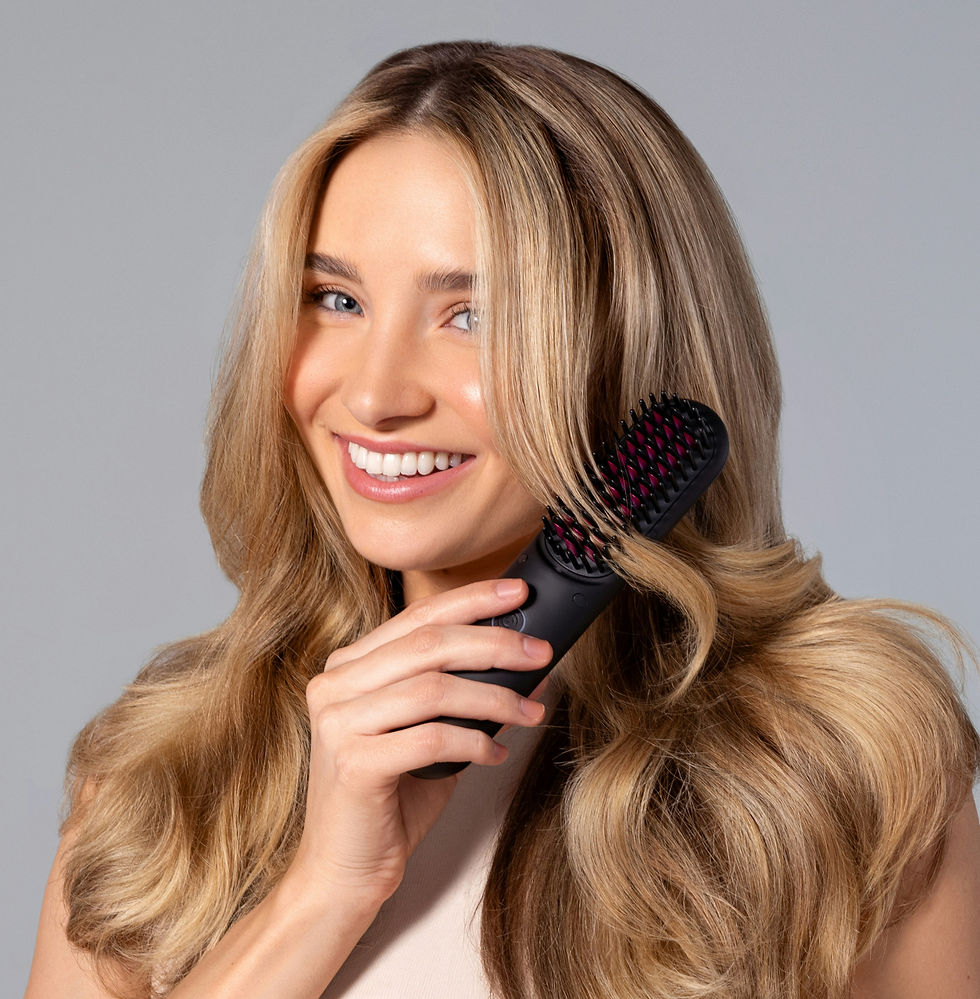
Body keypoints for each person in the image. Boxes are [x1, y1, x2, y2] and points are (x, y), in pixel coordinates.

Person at [25, 40, 980, 999]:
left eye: (472, 315)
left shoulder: (836, 768)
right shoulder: (166, 780)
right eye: (337, 299)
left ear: (626, 353)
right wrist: (321, 894)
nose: (376, 393)